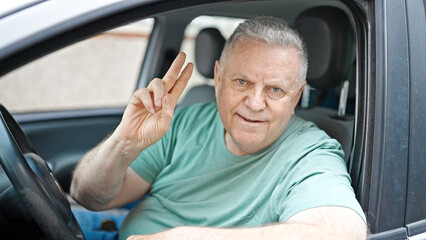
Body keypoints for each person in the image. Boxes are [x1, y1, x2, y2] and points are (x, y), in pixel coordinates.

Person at [71, 16, 367, 240]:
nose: (254, 102)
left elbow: (342, 231)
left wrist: (187, 237)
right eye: (242, 82)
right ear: (218, 77)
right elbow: (89, 196)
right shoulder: (184, 120)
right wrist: (123, 143)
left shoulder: (309, 152)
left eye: (275, 89)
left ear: (297, 97)